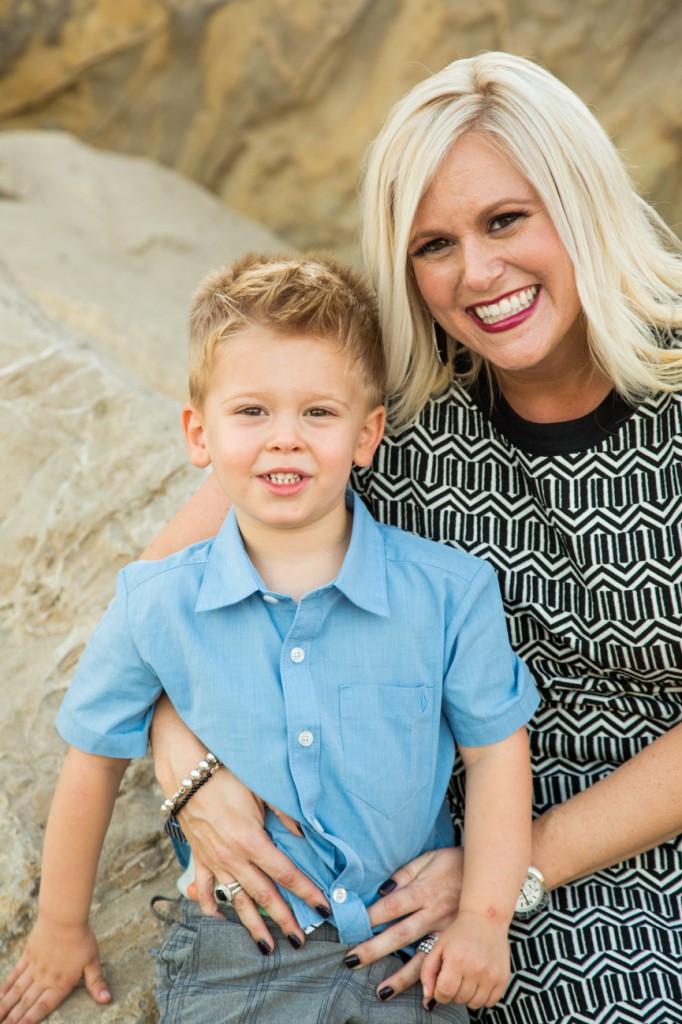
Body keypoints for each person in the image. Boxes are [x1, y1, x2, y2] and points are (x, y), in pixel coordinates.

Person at [143, 51, 682, 1024]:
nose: (478, 272)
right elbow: (159, 592)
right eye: (433, 243)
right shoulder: (393, 413)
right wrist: (195, 775)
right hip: (425, 843)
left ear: (583, 201)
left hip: (613, 843)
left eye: (506, 220)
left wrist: (503, 867)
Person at [0, 251, 540, 1024]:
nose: (284, 437)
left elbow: (495, 755)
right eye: (252, 412)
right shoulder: (157, 601)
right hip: (238, 953)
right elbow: (93, 759)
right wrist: (60, 924)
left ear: (367, 434)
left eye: (318, 413)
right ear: (199, 434)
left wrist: (486, 920)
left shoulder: (449, 594)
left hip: (411, 946)